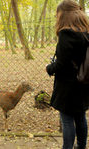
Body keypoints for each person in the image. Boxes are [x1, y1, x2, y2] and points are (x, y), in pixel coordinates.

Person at [46, 1, 89, 149]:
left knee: (67, 119)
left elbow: (61, 64)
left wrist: (49, 68)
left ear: (64, 15)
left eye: (57, 15)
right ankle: (81, 146)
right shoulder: (85, 33)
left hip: (68, 86)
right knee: (81, 117)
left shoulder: (66, 34)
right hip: (84, 83)